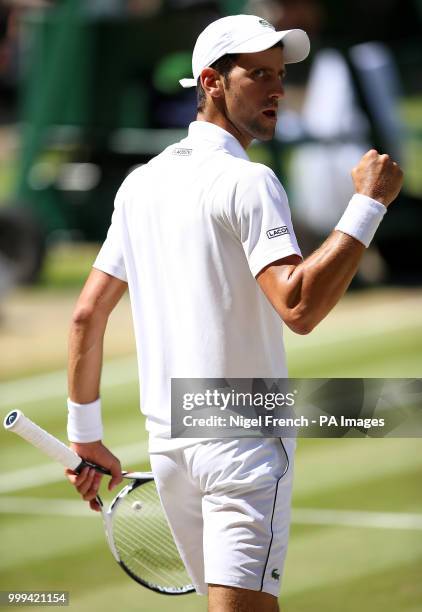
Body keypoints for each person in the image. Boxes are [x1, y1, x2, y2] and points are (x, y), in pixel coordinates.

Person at [65, 14, 403, 612]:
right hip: (242, 444)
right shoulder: (249, 182)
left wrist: (85, 435)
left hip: (171, 448)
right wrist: (367, 206)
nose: (276, 89)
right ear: (211, 83)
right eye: (258, 74)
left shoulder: (138, 185)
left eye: (280, 74)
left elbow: (86, 316)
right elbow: (297, 306)